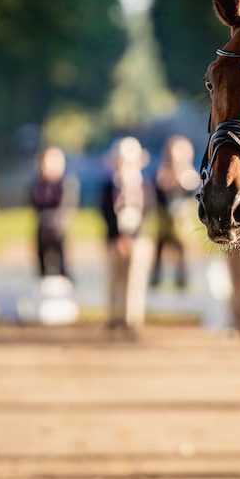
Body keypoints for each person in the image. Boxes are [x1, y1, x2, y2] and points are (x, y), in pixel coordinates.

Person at [100, 137, 150, 333]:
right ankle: (114, 316)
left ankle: (132, 318)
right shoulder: (108, 186)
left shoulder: (143, 185)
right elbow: (106, 212)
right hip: (114, 239)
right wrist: (118, 236)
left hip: (137, 238)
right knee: (114, 278)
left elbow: (147, 211)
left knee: (134, 279)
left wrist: (133, 236)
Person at [151, 135, 200, 290]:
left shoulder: (189, 176)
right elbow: (158, 196)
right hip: (164, 226)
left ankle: (183, 283)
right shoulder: (161, 175)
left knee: (182, 255)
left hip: (182, 228)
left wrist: (181, 181)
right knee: (159, 252)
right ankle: (155, 282)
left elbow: (193, 193)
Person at [31, 146, 79, 279]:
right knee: (43, 267)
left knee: (63, 266)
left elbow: (66, 205)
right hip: (43, 229)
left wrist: (59, 219)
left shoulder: (66, 183)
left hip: (58, 229)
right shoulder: (38, 184)